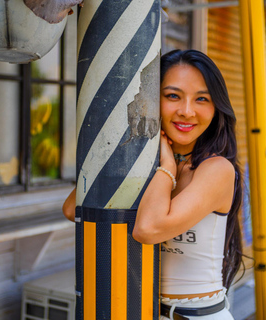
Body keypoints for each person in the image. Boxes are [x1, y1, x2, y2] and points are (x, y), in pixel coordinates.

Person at [63, 49, 243, 320]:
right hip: (144, 311)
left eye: (202, 99)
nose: (186, 111)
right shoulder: (149, 166)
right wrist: (128, 149)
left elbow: (148, 229)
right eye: (173, 96)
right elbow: (71, 208)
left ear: (216, 107)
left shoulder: (216, 170)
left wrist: (167, 169)